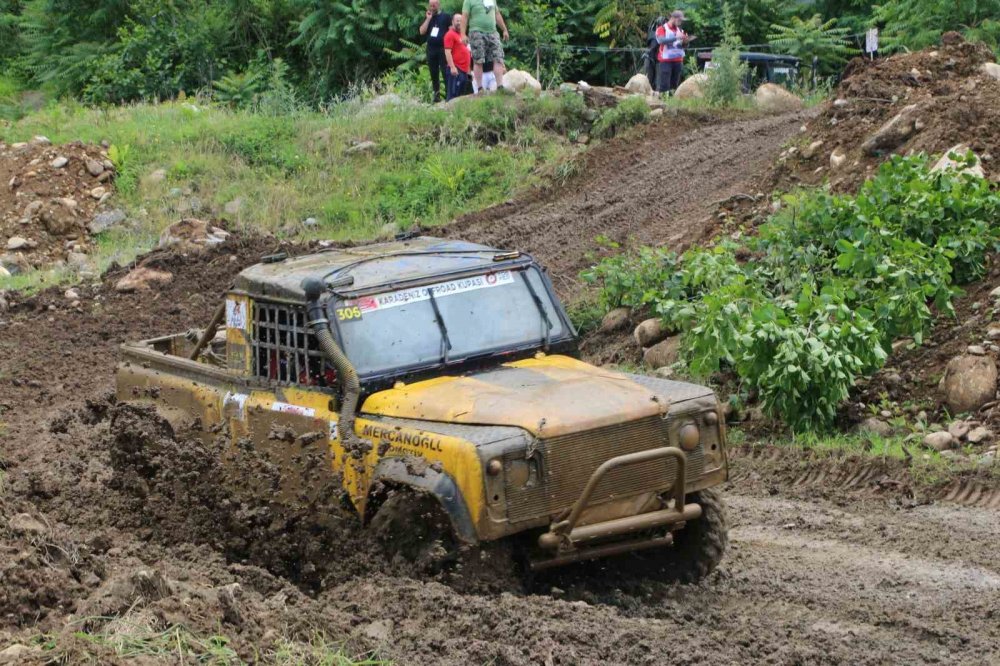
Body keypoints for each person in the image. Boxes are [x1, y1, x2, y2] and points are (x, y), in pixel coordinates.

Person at [461, 0, 509, 93]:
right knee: (478, 60)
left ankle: (500, 86)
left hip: (492, 32)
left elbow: (497, 14)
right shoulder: (468, 1)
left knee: (498, 58)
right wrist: (462, 34)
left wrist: (504, 29)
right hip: (476, 31)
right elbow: (464, 16)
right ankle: (480, 88)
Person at [419, 0, 452, 102]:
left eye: (434, 5)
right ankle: (436, 96)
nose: (432, 7)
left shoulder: (446, 16)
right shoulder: (428, 16)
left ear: (439, 4)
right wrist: (428, 19)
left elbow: (451, 31)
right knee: (433, 73)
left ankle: (449, 96)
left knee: (445, 72)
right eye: (431, 5)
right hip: (431, 49)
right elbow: (421, 31)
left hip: (443, 48)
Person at [655, 10, 695, 94]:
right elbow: (661, 41)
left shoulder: (680, 30)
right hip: (665, 61)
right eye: (679, 20)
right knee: (664, 87)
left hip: (678, 61)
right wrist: (676, 37)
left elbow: (682, 47)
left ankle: (672, 104)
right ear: (673, 18)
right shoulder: (661, 28)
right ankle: (662, 104)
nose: (680, 22)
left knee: (674, 86)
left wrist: (686, 42)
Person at [444, 14, 472, 100]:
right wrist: (452, 67)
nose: (459, 22)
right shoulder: (450, 34)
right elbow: (447, 52)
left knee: (460, 96)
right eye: (457, 20)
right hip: (456, 69)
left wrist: (469, 70)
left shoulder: (462, 35)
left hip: (464, 70)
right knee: (453, 96)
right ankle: (449, 113)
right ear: (452, 22)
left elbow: (468, 52)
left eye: (461, 20)